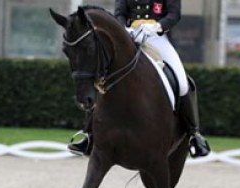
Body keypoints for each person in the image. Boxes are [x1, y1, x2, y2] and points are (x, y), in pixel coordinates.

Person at [68, 0, 210, 158]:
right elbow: (120, 12)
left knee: (182, 82)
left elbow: (173, 14)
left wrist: (157, 26)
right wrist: (123, 28)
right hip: (129, 36)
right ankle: (88, 135)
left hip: (157, 37)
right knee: (102, 78)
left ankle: (193, 134)